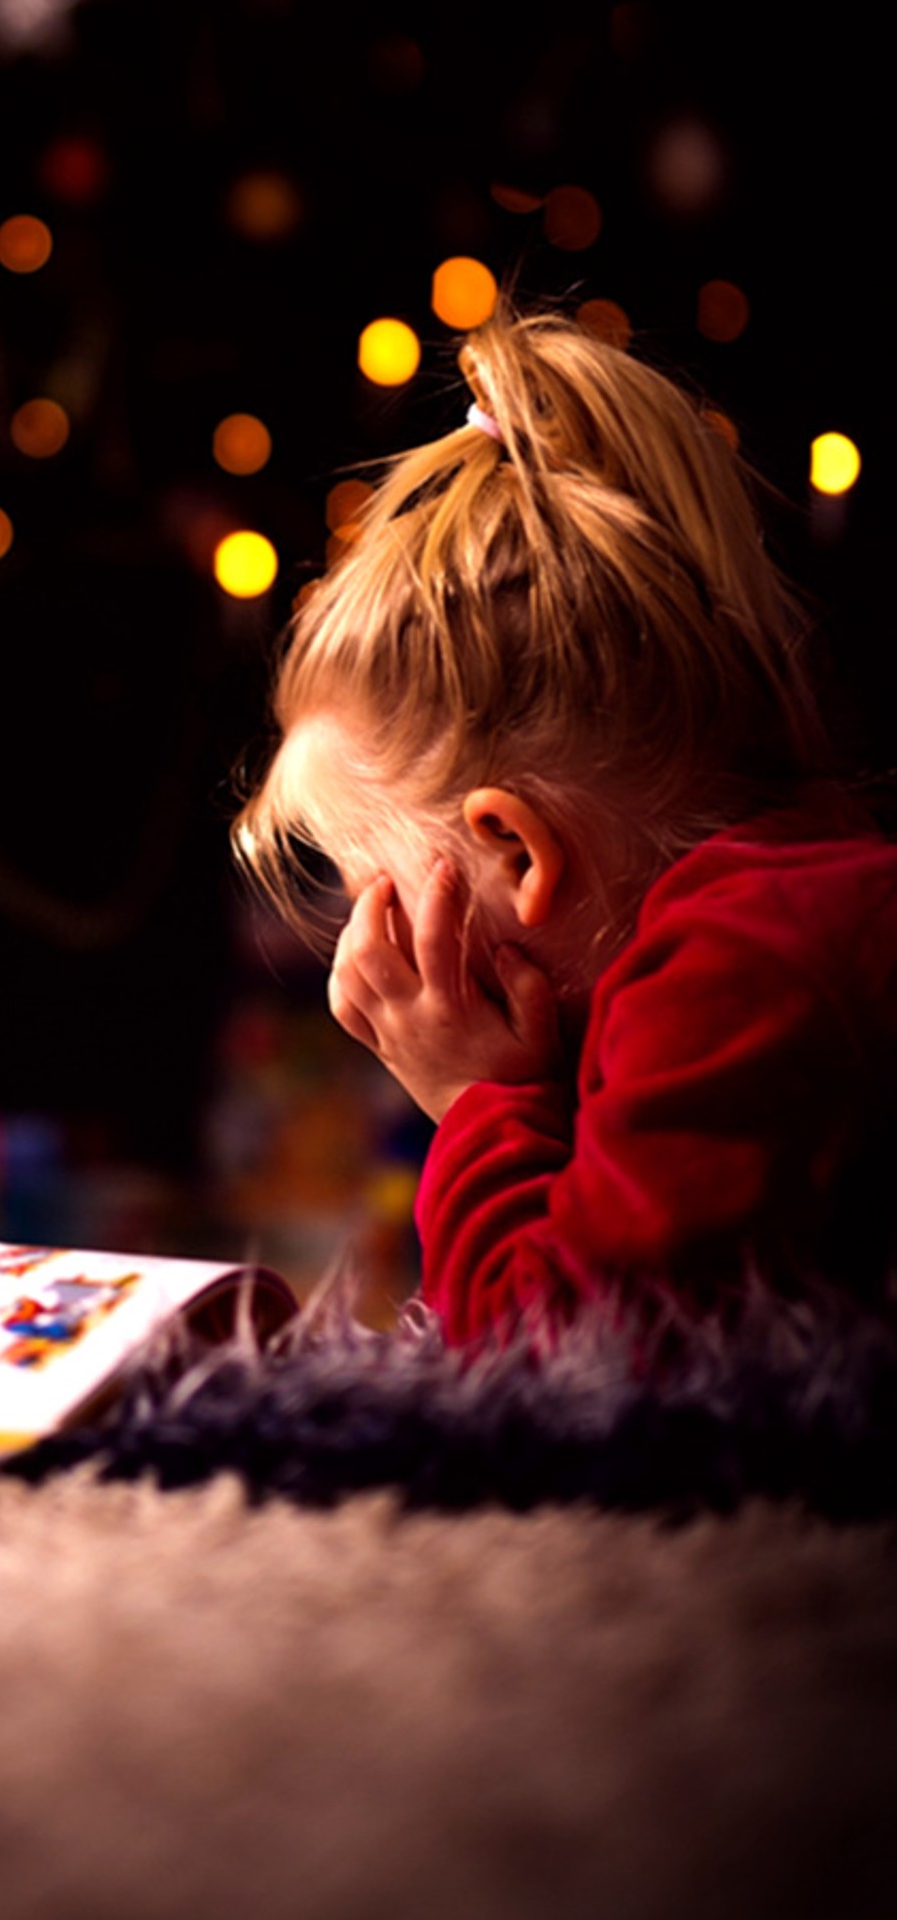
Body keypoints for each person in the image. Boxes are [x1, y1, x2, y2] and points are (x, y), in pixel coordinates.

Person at [236, 307, 897, 1346]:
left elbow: (551, 1368)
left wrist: (468, 1100)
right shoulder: (776, 895)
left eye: (385, 900)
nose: (372, 956)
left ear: (515, 848)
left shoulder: (738, 969)